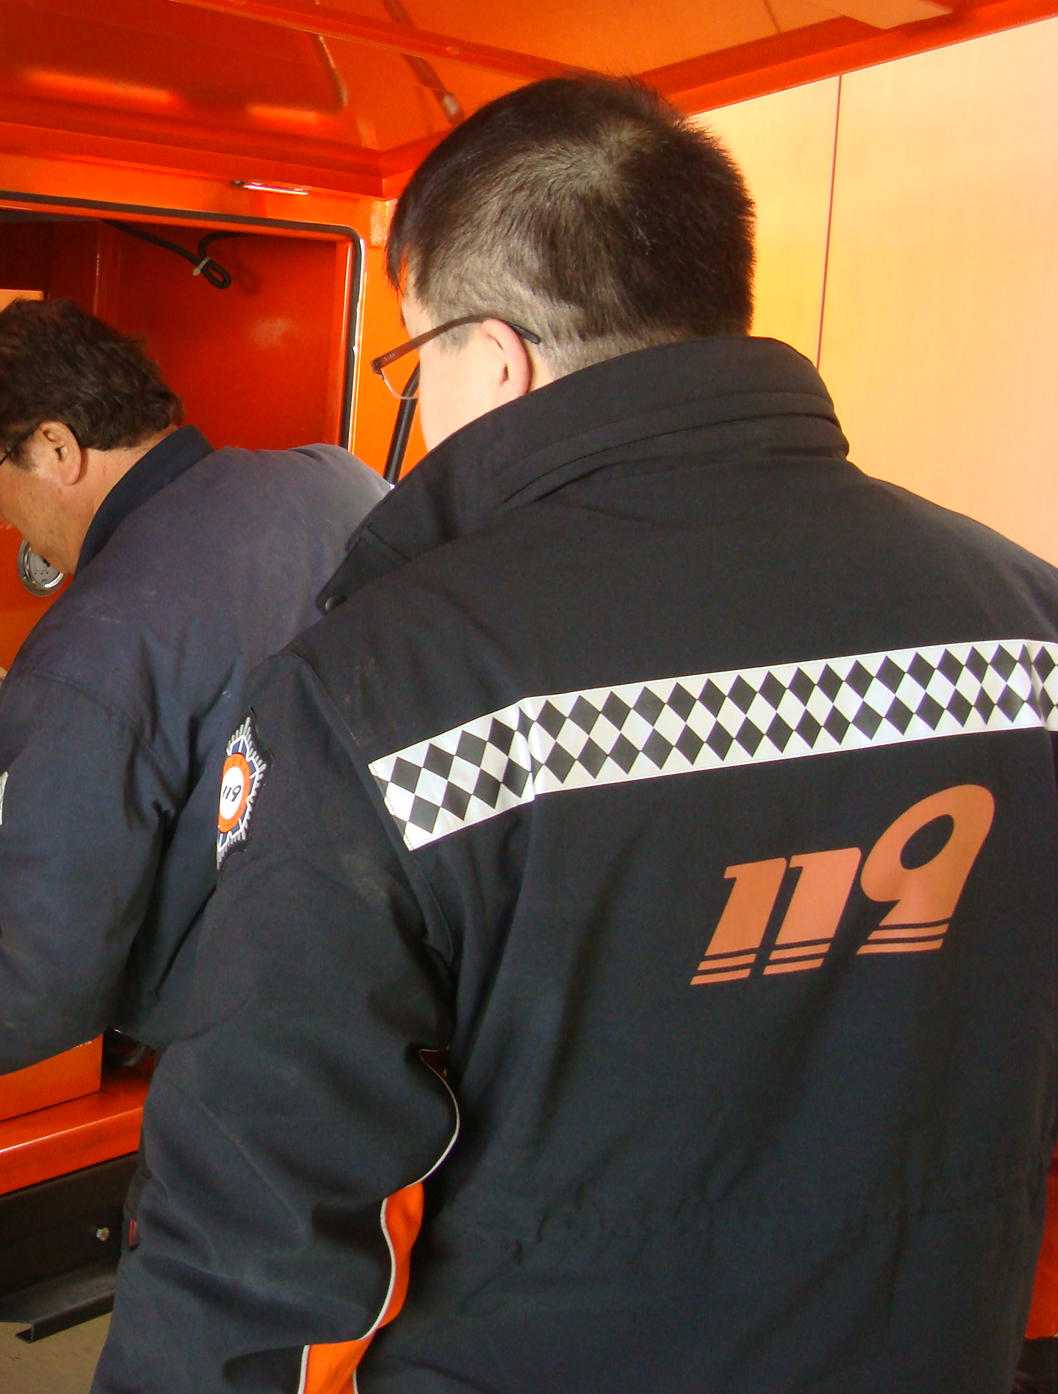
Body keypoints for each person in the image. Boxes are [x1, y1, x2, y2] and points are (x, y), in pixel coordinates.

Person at [97, 76, 1058, 1394]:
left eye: (417, 360)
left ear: (493, 357)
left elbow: (257, 1220)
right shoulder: (1028, 629)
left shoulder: (388, 689)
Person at [0, 298, 387, 1076]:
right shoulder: (342, 484)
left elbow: (36, 987)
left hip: (265, 1077)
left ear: (55, 446)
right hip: (413, 1006)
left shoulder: (88, 655)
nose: (1, 518)